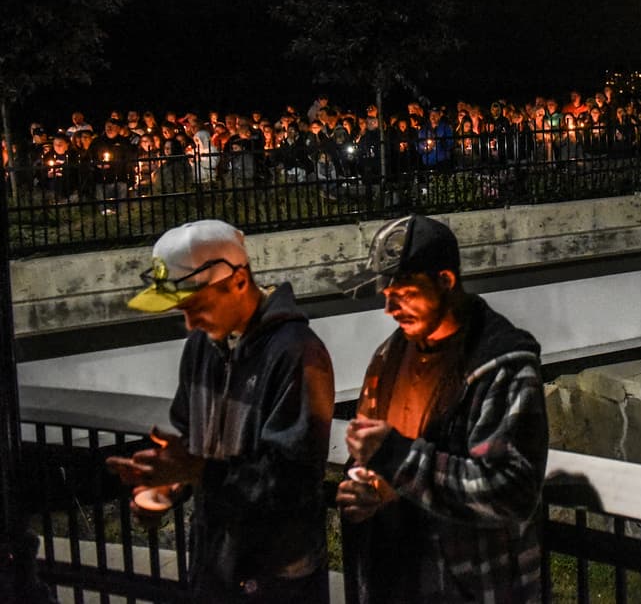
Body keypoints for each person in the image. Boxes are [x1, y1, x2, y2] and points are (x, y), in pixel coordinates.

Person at [106, 220, 335, 603]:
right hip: (215, 566)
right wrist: (167, 484)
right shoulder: (202, 345)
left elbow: (292, 482)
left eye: (197, 306)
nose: (190, 323)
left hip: (278, 579)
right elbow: (191, 439)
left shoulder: (297, 354)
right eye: (183, 310)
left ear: (239, 282)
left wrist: (196, 470)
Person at [336, 215, 548, 603]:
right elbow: (375, 460)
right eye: (386, 295)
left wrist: (396, 458)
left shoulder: (500, 365)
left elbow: (510, 490)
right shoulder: (388, 357)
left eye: (404, 292)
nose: (390, 309)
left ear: (446, 282)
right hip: (394, 580)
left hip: (468, 585)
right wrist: (364, 486)